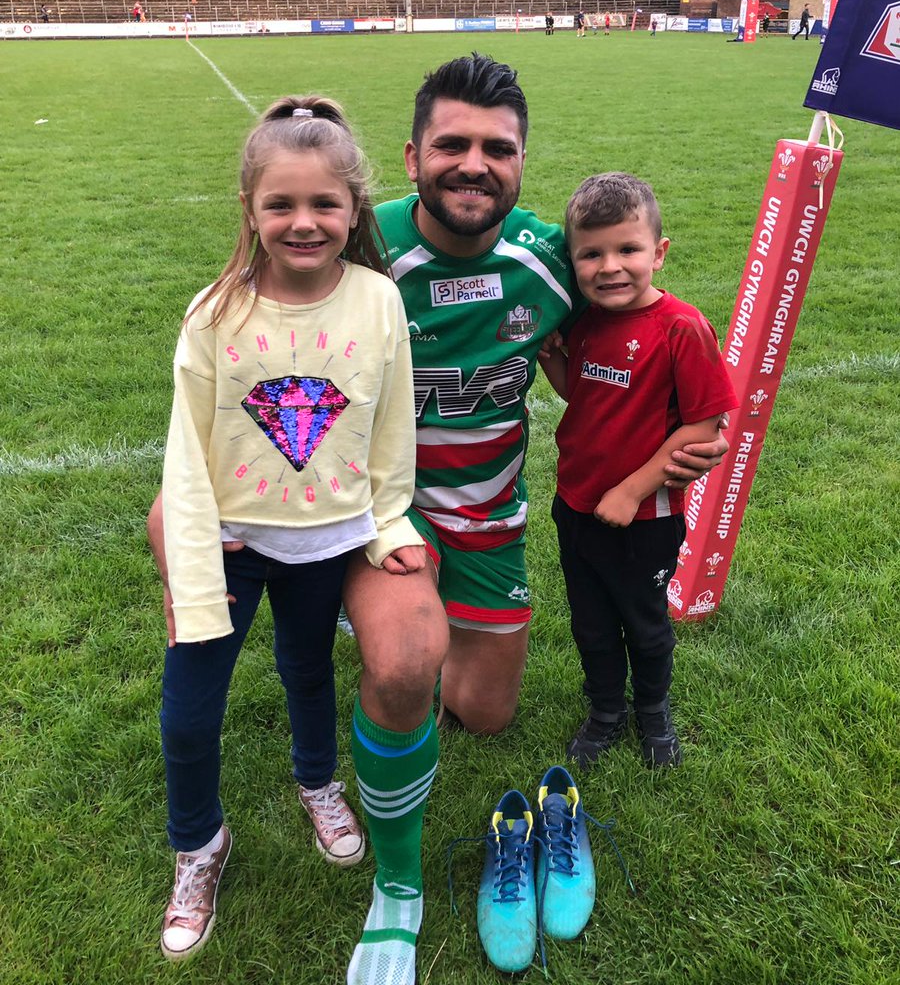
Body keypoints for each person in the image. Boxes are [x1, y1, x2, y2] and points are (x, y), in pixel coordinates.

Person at [147, 54, 728, 984]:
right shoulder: (354, 246)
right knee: (406, 662)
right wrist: (184, 501)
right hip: (374, 520)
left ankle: (388, 664)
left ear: (522, 162)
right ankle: (400, 874)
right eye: (451, 144)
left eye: (497, 149)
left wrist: (682, 427)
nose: (474, 164)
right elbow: (242, 342)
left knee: (485, 714)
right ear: (412, 157)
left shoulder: (552, 260)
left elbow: (627, 321)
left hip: (490, 520)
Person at [156, 96, 425, 962]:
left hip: (327, 544)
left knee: (308, 672)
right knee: (190, 715)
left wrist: (386, 525)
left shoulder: (380, 301)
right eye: (281, 205)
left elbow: (390, 429)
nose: (303, 223)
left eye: (324, 205)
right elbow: (186, 459)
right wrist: (192, 573)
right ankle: (199, 845)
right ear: (250, 209)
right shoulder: (213, 315)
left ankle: (319, 783)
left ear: (355, 210)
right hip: (229, 547)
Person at [540, 173, 737, 769]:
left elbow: (705, 426)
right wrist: (555, 361)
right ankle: (605, 710)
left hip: (643, 516)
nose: (610, 267)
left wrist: (631, 490)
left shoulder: (681, 327)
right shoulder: (587, 322)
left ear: (659, 251)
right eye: (591, 254)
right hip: (575, 504)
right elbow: (583, 394)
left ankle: (652, 710)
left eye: (628, 249)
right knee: (591, 624)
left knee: (645, 623)